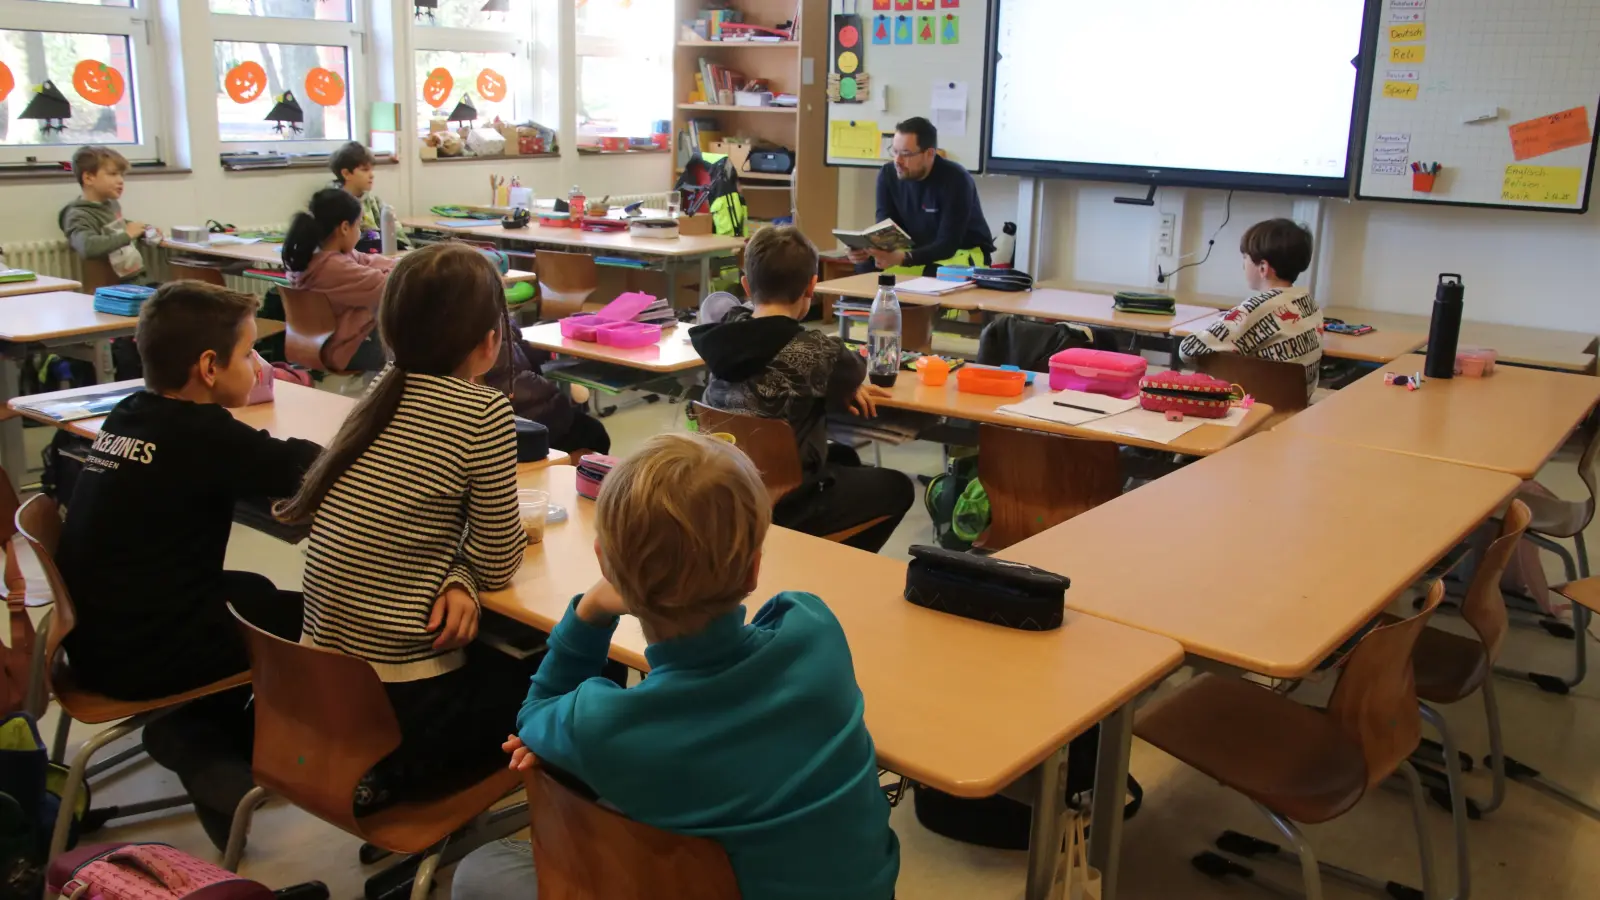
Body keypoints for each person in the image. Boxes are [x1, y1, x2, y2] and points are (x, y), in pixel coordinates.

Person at [452, 432, 900, 900]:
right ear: (753, 570)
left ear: (606, 565)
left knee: (480, 869)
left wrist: (590, 612)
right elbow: (745, 653)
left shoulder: (606, 727)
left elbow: (536, 712)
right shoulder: (814, 630)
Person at [54, 281, 320, 845]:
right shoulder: (202, 433)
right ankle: (204, 740)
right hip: (147, 656)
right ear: (207, 366)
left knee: (252, 586)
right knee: (313, 613)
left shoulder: (131, 413)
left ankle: (195, 731)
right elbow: (301, 466)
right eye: (248, 352)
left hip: (96, 641)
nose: (257, 366)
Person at [274, 242, 531, 814]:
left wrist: (455, 572)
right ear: (491, 339)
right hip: (405, 707)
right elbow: (498, 561)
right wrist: (465, 572)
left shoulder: (381, 391)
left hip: (331, 695)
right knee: (574, 670)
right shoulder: (483, 413)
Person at [690, 225, 914, 554]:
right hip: (784, 502)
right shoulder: (821, 352)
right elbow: (853, 373)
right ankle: (824, 565)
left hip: (724, 488)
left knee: (845, 457)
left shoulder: (720, 332)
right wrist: (847, 387)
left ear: (746, 286)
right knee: (897, 487)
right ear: (812, 285)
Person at [1177, 217, 1323, 399]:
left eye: (1245, 258)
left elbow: (1188, 349)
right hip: (1296, 409)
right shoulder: (1309, 302)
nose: (1243, 264)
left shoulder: (1256, 308)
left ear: (1263, 268)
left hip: (1254, 410)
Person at [849, 116, 993, 277]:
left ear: (929, 154)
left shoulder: (956, 179)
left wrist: (904, 258)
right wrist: (869, 250)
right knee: (866, 268)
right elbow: (886, 228)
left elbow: (947, 244)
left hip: (961, 253)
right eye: (894, 152)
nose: (898, 161)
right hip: (915, 249)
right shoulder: (888, 174)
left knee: (933, 273)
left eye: (906, 154)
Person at [283, 187, 396, 371]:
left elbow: (370, 260)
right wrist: (405, 266)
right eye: (358, 226)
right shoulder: (332, 268)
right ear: (344, 228)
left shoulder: (314, 257)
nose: (359, 233)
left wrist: (397, 264)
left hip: (319, 345)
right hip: (343, 350)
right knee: (416, 345)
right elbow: (388, 286)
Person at [482, 305, 612, 454]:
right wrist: (560, 392)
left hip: (521, 415)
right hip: (529, 425)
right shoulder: (490, 320)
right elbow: (519, 388)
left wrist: (547, 355)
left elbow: (519, 349)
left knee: (587, 424)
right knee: (594, 433)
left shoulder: (489, 319)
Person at [59, 145, 163, 282]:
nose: (120, 181)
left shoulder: (110, 204)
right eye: (113, 174)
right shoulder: (78, 214)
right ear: (88, 178)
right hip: (114, 289)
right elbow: (87, 247)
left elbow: (113, 226)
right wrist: (128, 234)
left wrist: (143, 228)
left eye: (121, 175)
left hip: (136, 279)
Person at [328, 141, 409, 252]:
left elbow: (398, 237)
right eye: (365, 170)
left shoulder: (374, 202)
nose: (372, 175)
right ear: (346, 174)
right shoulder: (332, 205)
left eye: (371, 169)